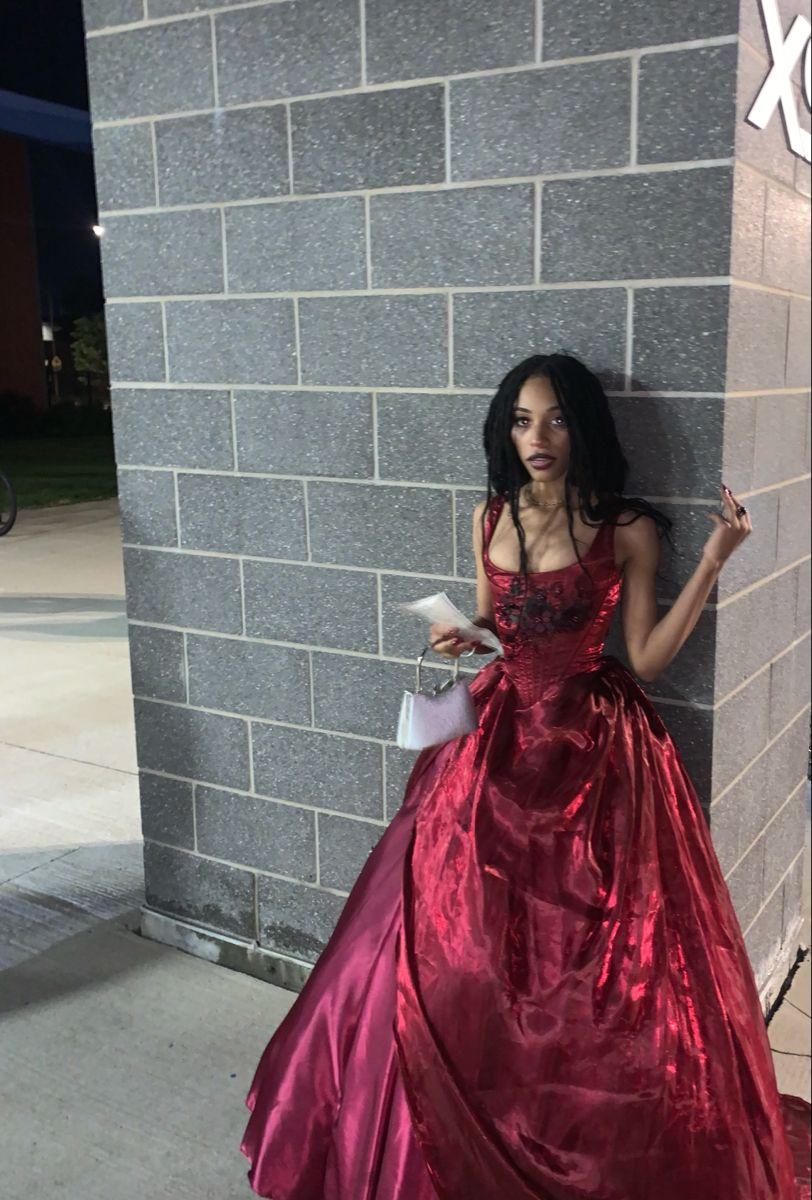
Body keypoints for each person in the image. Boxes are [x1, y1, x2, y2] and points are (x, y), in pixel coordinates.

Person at [242, 354, 811, 1200]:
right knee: (456, 938)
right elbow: (490, 623)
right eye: (521, 420)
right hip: (494, 740)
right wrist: (460, 636)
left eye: (555, 418)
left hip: (594, 749)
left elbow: (648, 658)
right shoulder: (489, 515)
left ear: (583, 427)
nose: (537, 437)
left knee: (596, 968)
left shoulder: (625, 528)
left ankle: (575, 1132)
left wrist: (715, 558)